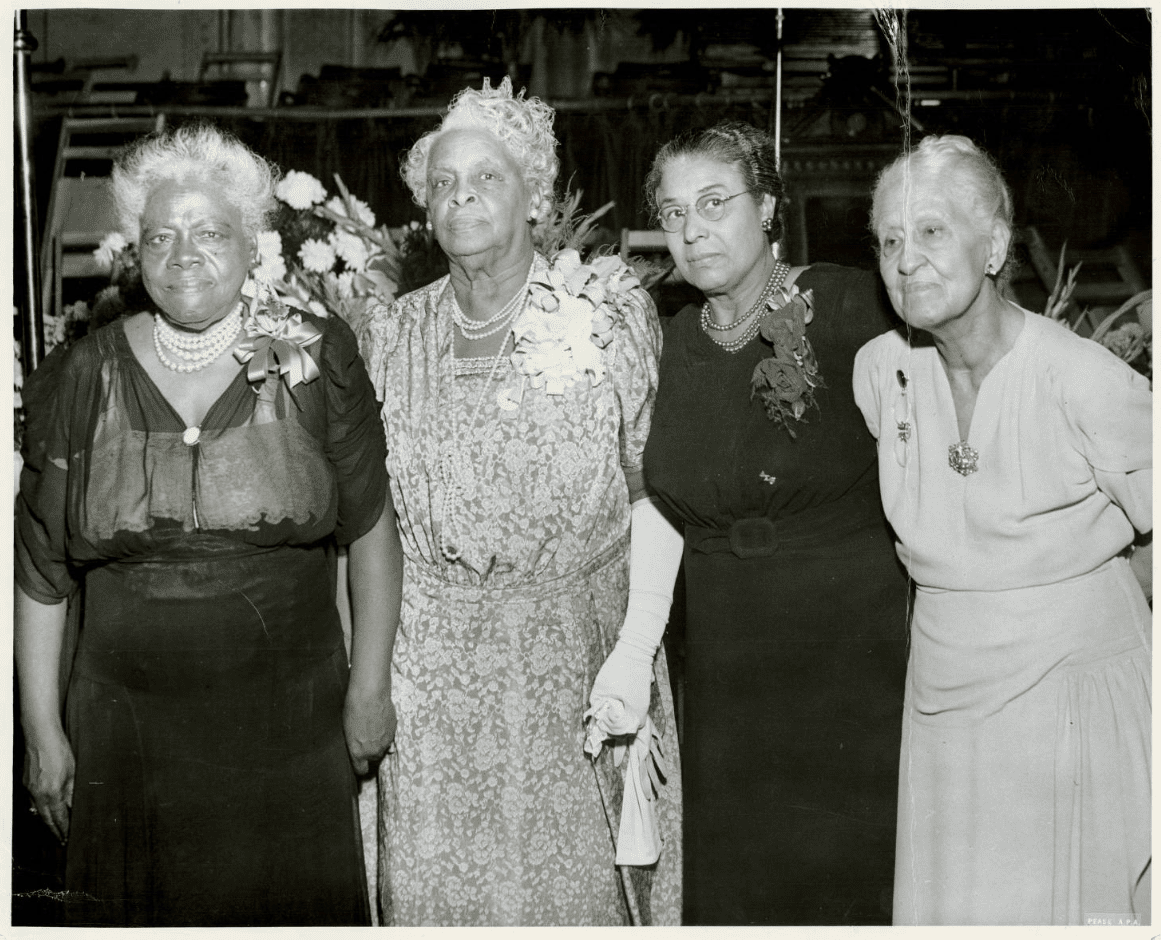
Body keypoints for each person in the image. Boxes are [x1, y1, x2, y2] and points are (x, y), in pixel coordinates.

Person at [15, 123, 402, 926]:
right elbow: (41, 571)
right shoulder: (83, 373)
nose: (183, 252)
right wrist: (42, 732)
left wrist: (369, 688)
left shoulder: (316, 355)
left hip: (288, 729)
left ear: (251, 243)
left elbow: (369, 532)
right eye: (161, 234)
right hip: (126, 737)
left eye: (208, 231)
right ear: (135, 251)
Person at [359, 77, 681, 926]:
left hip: (577, 669)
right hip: (428, 685)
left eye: (487, 177)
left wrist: (634, 649)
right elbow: (367, 520)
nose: (460, 196)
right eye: (442, 182)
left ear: (535, 193)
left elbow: (655, 492)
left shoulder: (608, 316)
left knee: (569, 899)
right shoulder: (391, 334)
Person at [854, 134, 1152, 925]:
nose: (905, 260)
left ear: (991, 247)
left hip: (1070, 709)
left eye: (930, 231)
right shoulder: (881, 372)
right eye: (888, 240)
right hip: (944, 704)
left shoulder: (1083, 382)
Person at [639, 121, 910, 925]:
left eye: (715, 202)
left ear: (767, 209)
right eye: (673, 210)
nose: (692, 228)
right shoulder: (661, 335)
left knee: (848, 874)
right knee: (737, 878)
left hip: (847, 650)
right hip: (721, 652)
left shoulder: (851, 307)